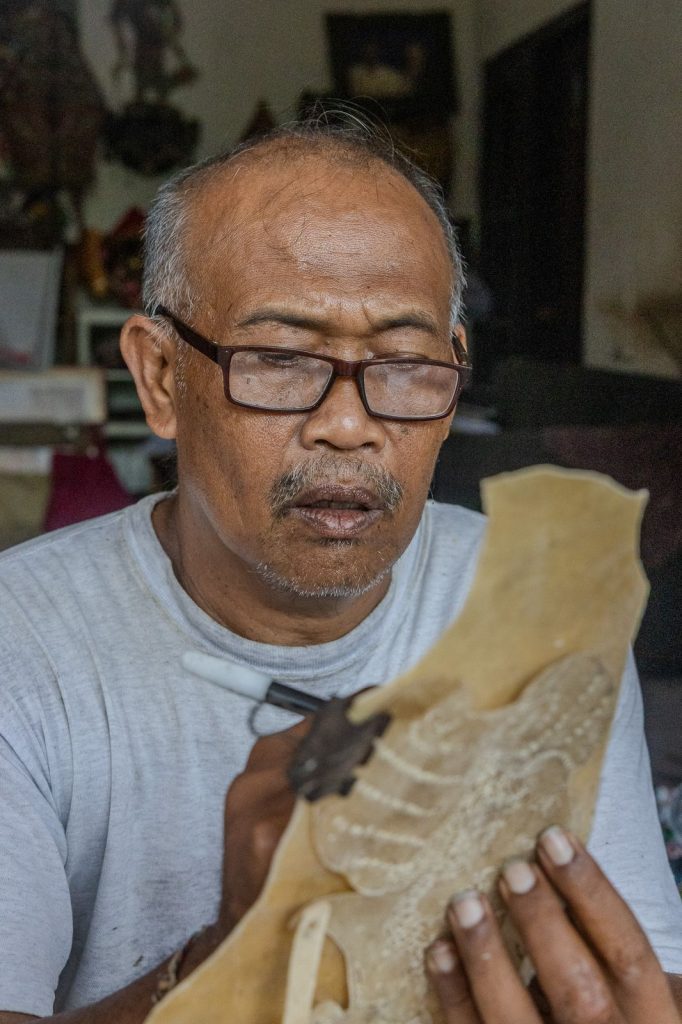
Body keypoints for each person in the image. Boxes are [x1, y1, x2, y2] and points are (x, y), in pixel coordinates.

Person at [0, 120, 680, 1024]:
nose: (350, 426)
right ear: (160, 377)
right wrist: (239, 948)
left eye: (403, 364)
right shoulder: (23, 645)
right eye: (281, 360)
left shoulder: (540, 607)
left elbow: (640, 972)